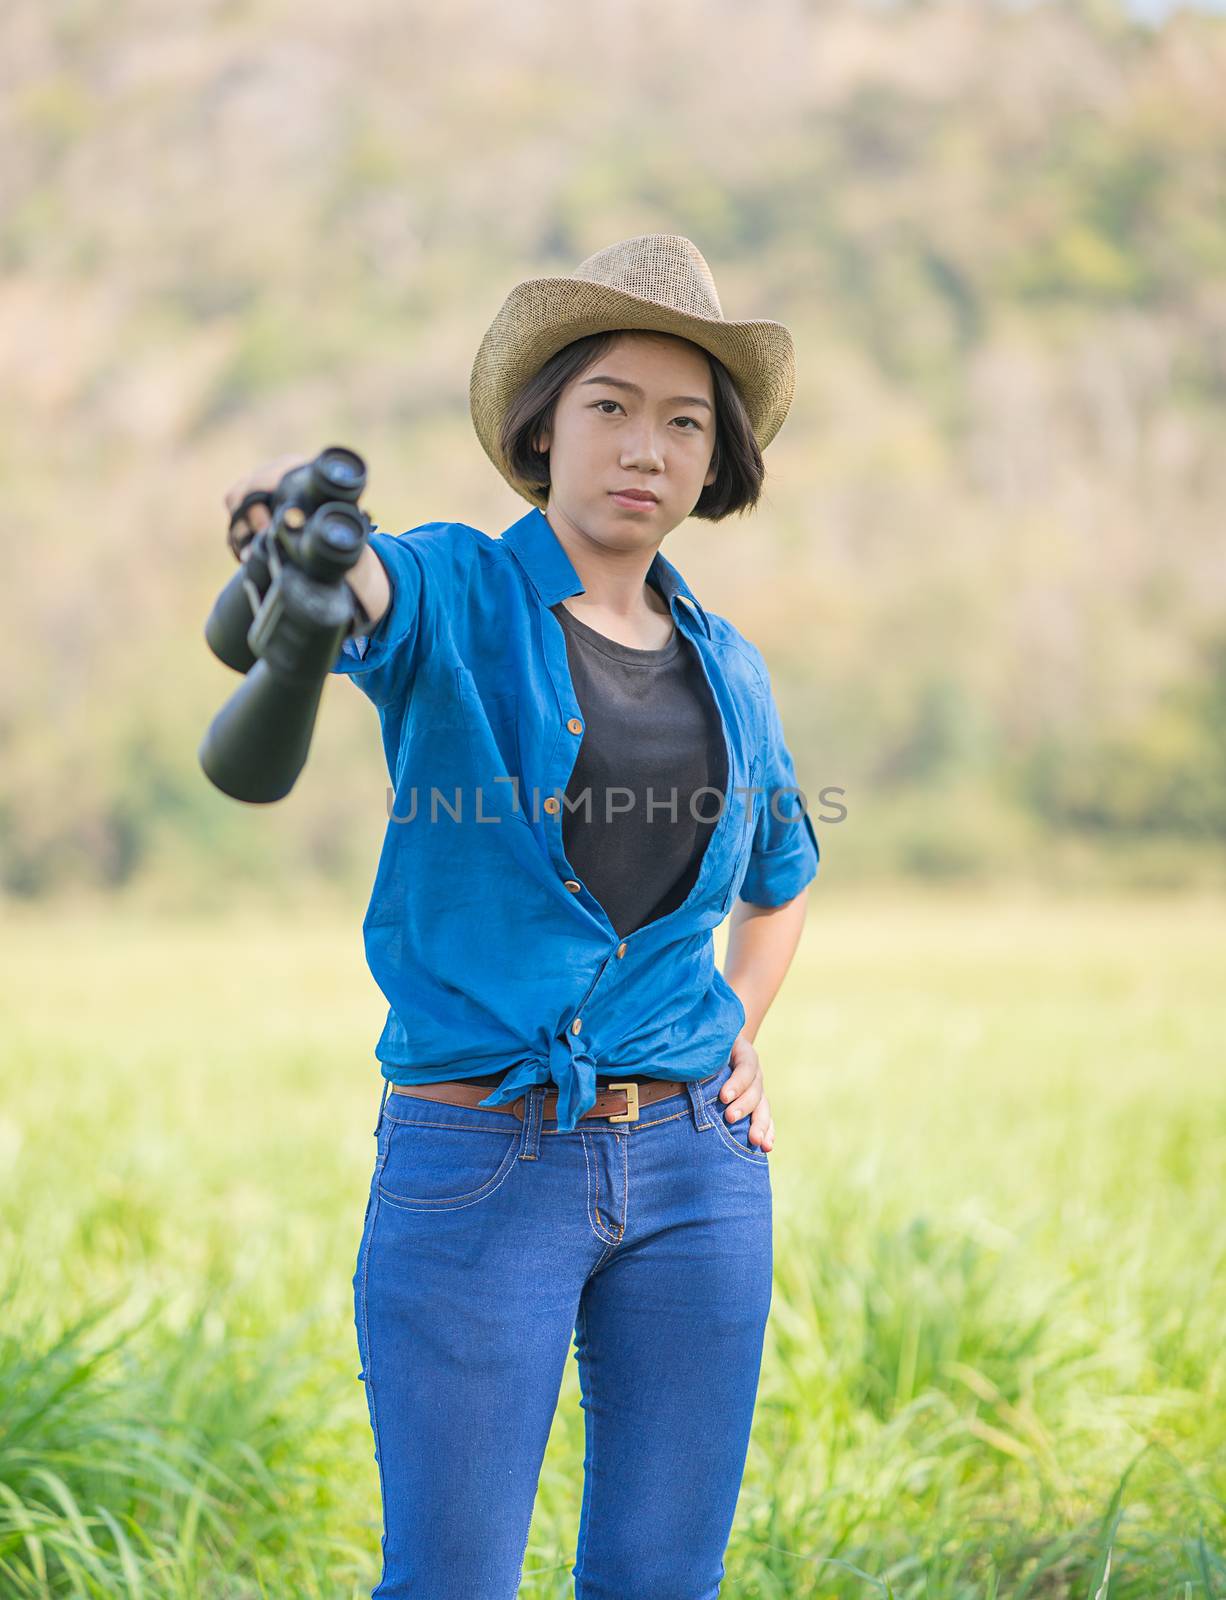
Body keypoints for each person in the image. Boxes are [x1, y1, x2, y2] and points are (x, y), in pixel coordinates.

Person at [222, 234, 819, 1600]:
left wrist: (742, 1032)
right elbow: (370, 586)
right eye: (609, 406)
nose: (644, 449)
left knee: (664, 1579)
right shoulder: (458, 594)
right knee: (450, 1582)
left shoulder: (730, 666)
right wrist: (299, 541)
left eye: (684, 423)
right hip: (477, 1159)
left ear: (714, 461)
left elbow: (780, 881)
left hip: (695, 1172)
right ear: (540, 423)